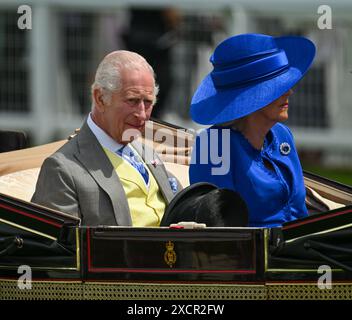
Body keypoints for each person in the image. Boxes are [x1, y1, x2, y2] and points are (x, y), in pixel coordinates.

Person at [31, 51, 179, 226]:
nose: (141, 114)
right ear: (100, 98)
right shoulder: (63, 169)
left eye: (147, 102)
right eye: (132, 100)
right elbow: (61, 250)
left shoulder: (147, 152)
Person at [189, 33, 316, 227]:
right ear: (251, 97)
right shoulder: (213, 146)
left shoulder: (282, 135)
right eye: (277, 86)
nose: (289, 91)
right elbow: (219, 228)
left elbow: (300, 214)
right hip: (253, 253)